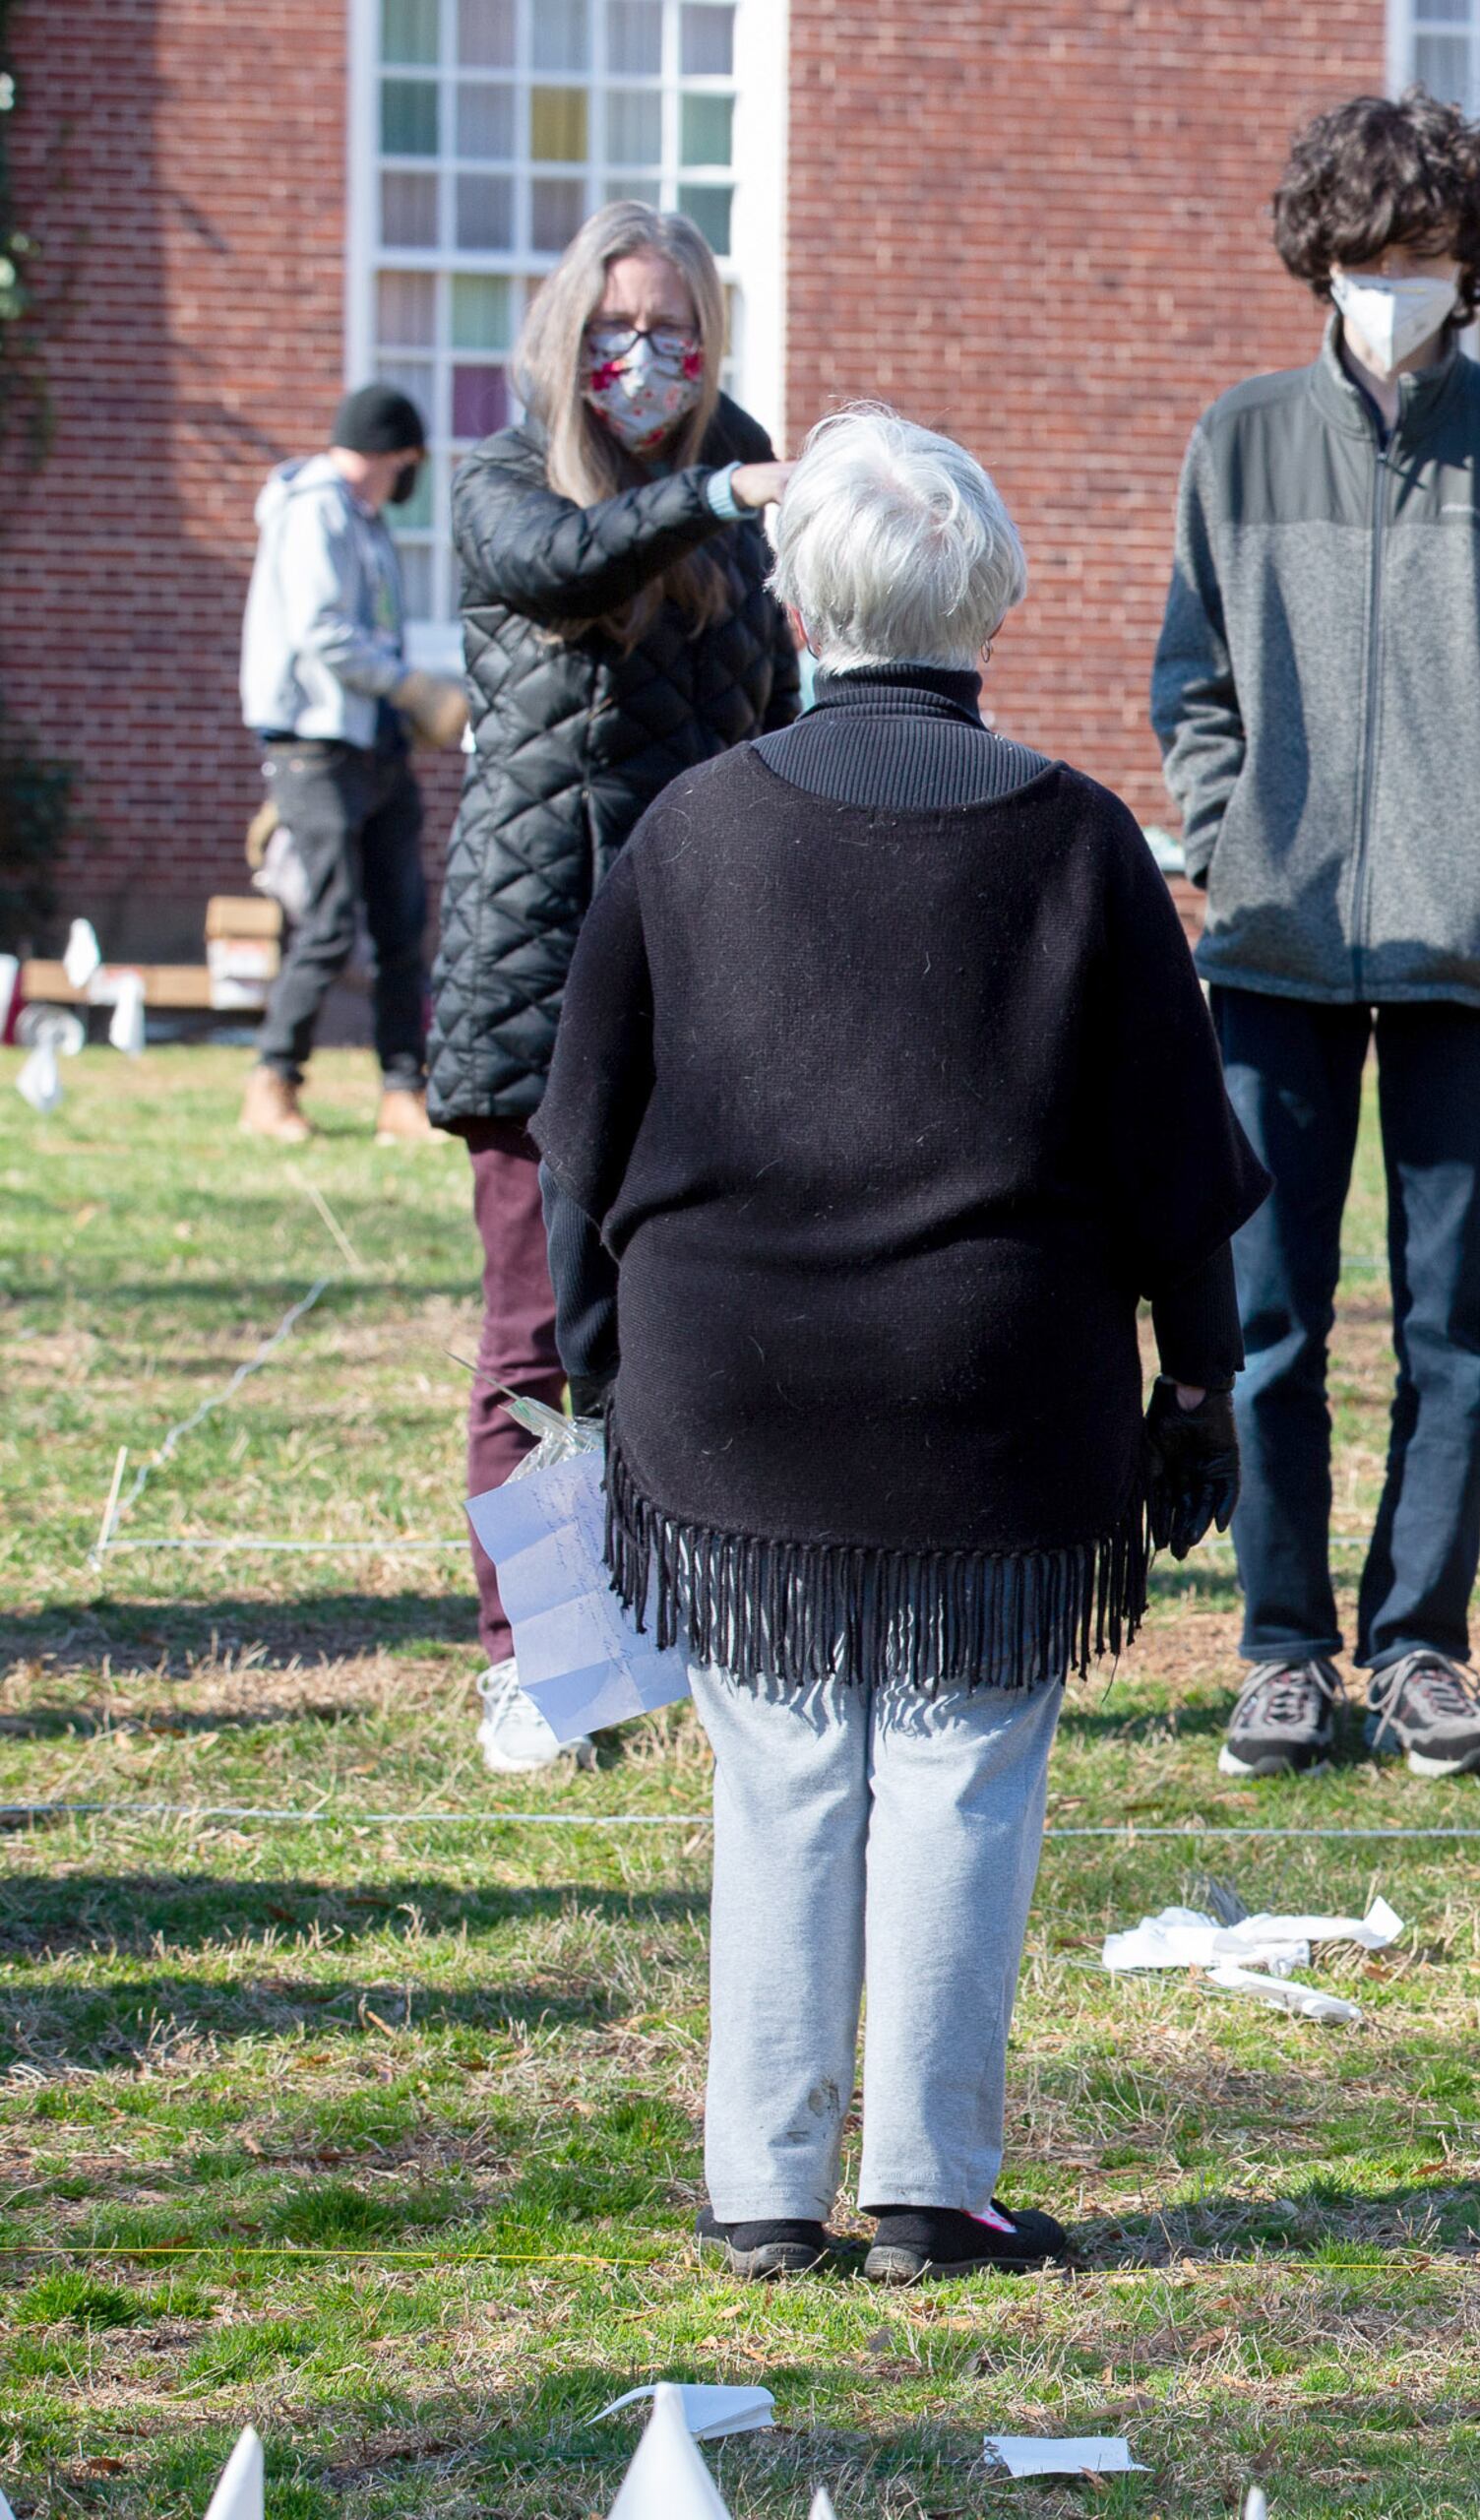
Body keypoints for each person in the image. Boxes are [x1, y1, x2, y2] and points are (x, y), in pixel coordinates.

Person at [539, 410, 1267, 2282]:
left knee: (779, 1773)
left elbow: (580, 1125)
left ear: (802, 601)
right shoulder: (1083, 842)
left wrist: (599, 1365)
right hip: (991, 1395)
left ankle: (766, 2188)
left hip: (735, 1392)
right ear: (989, 602)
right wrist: (1199, 1387)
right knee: (958, 1773)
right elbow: (1181, 1168)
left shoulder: (695, 826)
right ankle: (931, 2189)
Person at [1152, 93, 1480, 1786]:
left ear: (1468, 265)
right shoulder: (1242, 440)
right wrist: (1228, 840)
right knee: (1267, 1320)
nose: (1388, 288)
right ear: (1319, 266)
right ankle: (1283, 1650)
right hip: (1266, 952)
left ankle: (1421, 1643)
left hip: (1456, 963)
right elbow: (1189, 684)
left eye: (1418, 259)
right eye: (1361, 260)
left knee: (1450, 1330)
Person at [423, 203, 795, 1775]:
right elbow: (566, 565)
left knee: (678, 1325)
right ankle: (536, 1662)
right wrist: (711, 487)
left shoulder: (740, 496)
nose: (643, 357)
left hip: (696, 960)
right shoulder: (505, 481)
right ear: (568, 340)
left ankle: (661, 1636)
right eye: (613, 330)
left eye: (673, 328)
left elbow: (770, 695)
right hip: (538, 965)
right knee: (538, 1329)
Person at [237, 383, 467, 1149]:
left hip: (374, 743)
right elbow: (323, 632)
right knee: (330, 924)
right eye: (411, 463)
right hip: (314, 746)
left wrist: (403, 709)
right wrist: (408, 684)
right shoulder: (314, 511)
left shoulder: (363, 520)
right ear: (397, 454)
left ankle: (402, 1091)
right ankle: (272, 1085)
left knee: (402, 923)